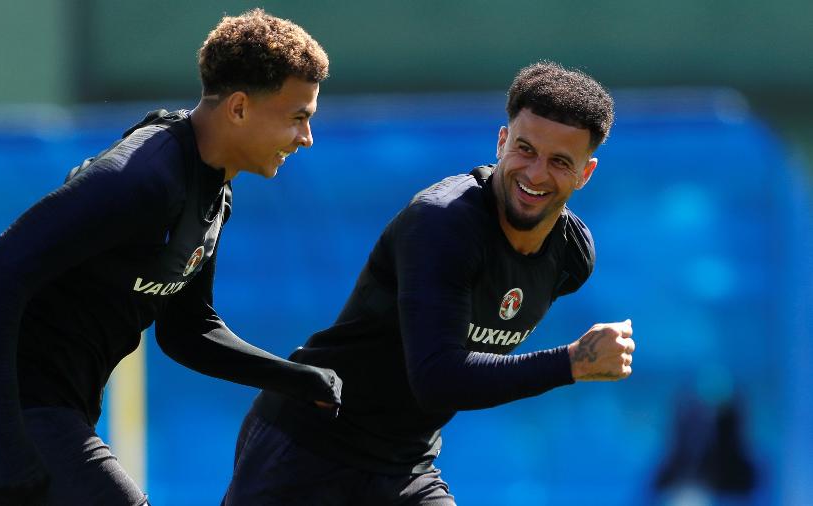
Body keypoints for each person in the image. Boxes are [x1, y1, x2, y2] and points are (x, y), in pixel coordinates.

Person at [0, 9, 341, 506]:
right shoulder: (144, 176)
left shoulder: (212, 194)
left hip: (26, 418)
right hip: (13, 419)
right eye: (298, 117)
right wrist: (6, 443)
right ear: (238, 108)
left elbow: (188, 331)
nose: (306, 138)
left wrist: (297, 379)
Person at [222, 62, 635, 505]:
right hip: (307, 451)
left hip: (404, 466)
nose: (535, 174)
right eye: (525, 149)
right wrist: (571, 362)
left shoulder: (571, 257)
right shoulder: (442, 224)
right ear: (501, 142)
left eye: (559, 162)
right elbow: (437, 379)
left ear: (585, 173)